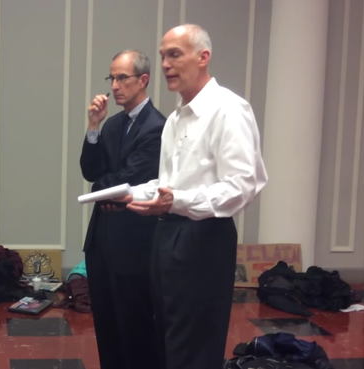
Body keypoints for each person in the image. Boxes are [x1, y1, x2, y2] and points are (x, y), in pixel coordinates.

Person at [113, 25, 268, 369]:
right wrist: (131, 194)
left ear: (203, 57)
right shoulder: (176, 118)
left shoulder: (228, 109)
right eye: (164, 55)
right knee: (167, 336)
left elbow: (244, 184)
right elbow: (171, 182)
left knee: (194, 344)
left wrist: (177, 201)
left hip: (204, 239)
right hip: (167, 234)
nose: (166, 64)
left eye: (175, 54)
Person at [79, 49, 166, 369]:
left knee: (136, 323)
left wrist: (101, 187)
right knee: (107, 323)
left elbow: (131, 179)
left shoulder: (158, 127)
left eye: (121, 78)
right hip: (102, 238)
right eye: (111, 78)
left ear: (143, 80)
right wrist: (92, 126)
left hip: (135, 241)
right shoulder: (112, 125)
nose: (114, 86)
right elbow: (91, 171)